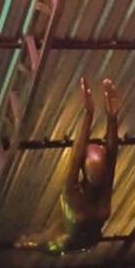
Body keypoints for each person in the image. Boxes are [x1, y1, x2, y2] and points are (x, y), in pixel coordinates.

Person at [15, 78, 120, 255]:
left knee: (45, 241)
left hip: (78, 236)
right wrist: (111, 118)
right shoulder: (94, 204)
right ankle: (28, 243)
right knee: (44, 240)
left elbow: (82, 156)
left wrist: (90, 114)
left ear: (84, 171)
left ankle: (28, 243)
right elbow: (108, 157)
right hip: (83, 232)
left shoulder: (81, 201)